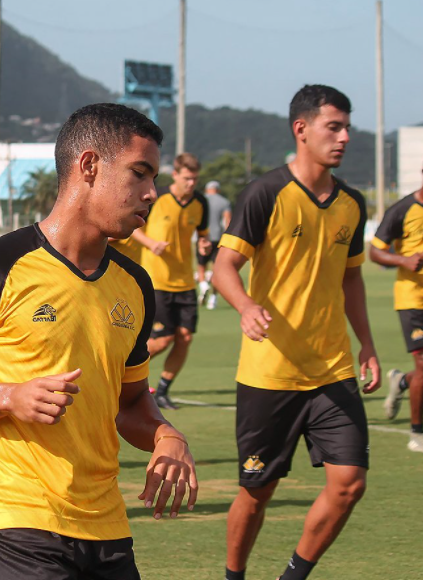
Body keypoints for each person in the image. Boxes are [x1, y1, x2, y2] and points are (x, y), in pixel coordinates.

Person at [0, 103, 198, 579]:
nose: (151, 194)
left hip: (105, 526)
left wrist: (167, 436)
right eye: (139, 174)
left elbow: (132, 404)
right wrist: (8, 397)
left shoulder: (135, 285)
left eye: (154, 179)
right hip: (12, 519)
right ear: (89, 166)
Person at [212, 85, 379, 580]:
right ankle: (234, 575)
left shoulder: (352, 202)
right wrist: (244, 305)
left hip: (332, 370)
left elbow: (351, 278)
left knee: (349, 483)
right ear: (301, 130)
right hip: (271, 374)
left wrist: (367, 342)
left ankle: (293, 576)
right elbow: (225, 265)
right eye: (334, 126)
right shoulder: (266, 193)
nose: (344, 136)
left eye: (347, 126)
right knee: (258, 490)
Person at [130, 152, 211, 409]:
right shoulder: (157, 198)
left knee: (185, 337)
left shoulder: (200, 203)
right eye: (187, 178)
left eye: (195, 179)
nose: (191, 184)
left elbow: (203, 235)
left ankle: (162, 390)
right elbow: (134, 228)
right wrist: (152, 244)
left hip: (185, 282)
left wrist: (206, 247)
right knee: (163, 339)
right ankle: (122, 371)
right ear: (175, 174)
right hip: (157, 281)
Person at [369, 151, 423, 453]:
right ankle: (417, 434)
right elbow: (375, 251)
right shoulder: (403, 209)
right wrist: (403, 260)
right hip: (413, 300)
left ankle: (402, 382)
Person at [197, 180, 232, 309]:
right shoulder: (224, 202)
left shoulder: (201, 200)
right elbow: (227, 221)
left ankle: (203, 286)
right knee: (216, 269)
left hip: (202, 238)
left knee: (201, 267)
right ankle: (213, 299)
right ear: (218, 189)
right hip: (218, 238)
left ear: (207, 189)